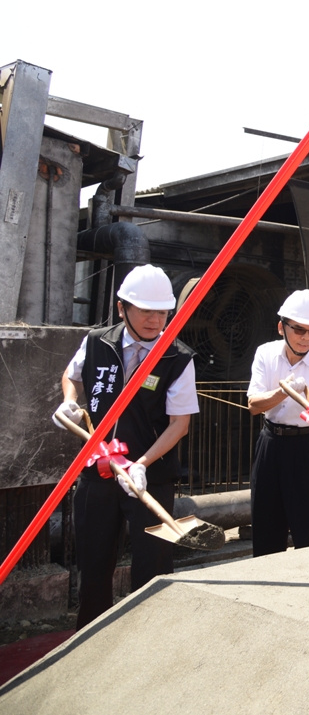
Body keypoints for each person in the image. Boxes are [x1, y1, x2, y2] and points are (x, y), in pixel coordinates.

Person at [53, 264, 199, 629]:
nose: (155, 320)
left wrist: (143, 464)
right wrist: (70, 402)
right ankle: (90, 638)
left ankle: (145, 642)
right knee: (94, 562)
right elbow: (71, 376)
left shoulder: (177, 358)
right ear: (122, 308)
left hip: (149, 478)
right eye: (146, 310)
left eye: (163, 312)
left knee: (152, 567)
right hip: (97, 471)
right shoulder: (96, 341)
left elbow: (180, 425)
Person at [247, 290, 309, 557]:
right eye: (299, 330)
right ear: (282, 327)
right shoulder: (265, 354)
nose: (306, 338)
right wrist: (284, 391)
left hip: (307, 446)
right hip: (270, 443)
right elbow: (254, 404)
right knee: (266, 523)